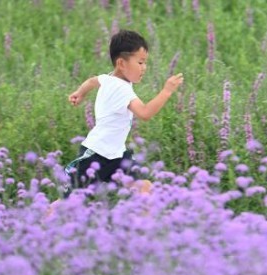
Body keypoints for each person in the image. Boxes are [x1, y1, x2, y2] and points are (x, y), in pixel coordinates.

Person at [62, 29, 184, 198]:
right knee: (69, 205)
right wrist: (167, 91)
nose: (144, 68)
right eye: (140, 63)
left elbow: (92, 81)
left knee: (144, 187)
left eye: (145, 63)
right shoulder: (121, 89)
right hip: (96, 155)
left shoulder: (109, 78)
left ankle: (141, 224)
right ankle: (40, 221)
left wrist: (80, 93)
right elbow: (145, 113)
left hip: (117, 156)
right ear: (121, 63)